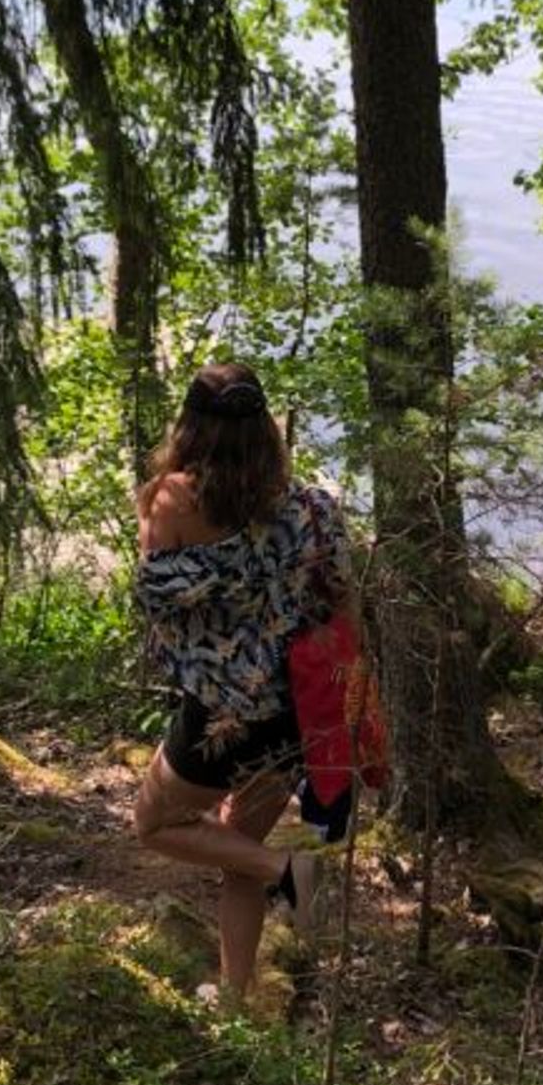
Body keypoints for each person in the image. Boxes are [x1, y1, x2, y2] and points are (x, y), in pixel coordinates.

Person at [132, 361, 355, 1000]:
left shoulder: (171, 499)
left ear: (191, 425)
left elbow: (158, 600)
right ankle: (232, 1001)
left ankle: (287, 868)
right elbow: (343, 609)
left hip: (220, 715)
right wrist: (346, 701)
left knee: (152, 825)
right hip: (291, 711)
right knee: (235, 850)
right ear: (267, 430)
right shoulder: (313, 508)